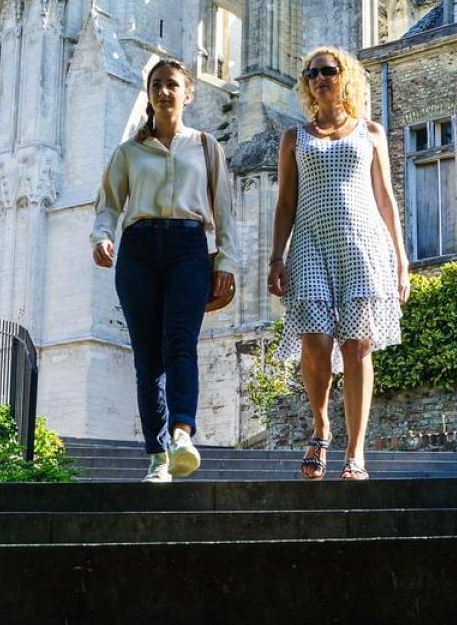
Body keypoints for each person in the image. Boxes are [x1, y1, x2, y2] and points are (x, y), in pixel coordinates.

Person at [267, 45, 412, 481]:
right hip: (310, 244)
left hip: (363, 245)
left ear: (344, 76)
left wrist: (401, 261)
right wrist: (276, 256)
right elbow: (285, 201)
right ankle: (321, 426)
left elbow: (385, 199)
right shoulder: (294, 138)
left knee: (357, 347)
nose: (319, 79)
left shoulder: (371, 132)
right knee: (314, 341)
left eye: (327, 71)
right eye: (311, 74)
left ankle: (355, 452)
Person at [92, 57, 236, 481]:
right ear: (149, 93)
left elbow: (225, 212)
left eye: (172, 84)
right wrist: (101, 236)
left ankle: (182, 434)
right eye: (156, 84)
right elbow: (108, 205)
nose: (163, 91)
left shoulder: (206, 147)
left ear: (187, 94)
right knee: (147, 358)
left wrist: (226, 260)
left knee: (180, 343)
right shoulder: (128, 152)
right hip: (137, 251)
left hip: (188, 248)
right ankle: (157, 457)